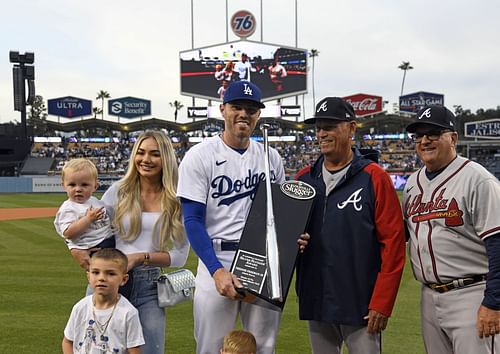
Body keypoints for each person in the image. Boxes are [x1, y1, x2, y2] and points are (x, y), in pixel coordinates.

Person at [177, 81, 306, 354]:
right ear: (223, 109)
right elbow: (192, 221)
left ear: (259, 115)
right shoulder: (200, 156)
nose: (244, 114)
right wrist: (216, 270)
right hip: (217, 257)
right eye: (237, 107)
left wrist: (296, 237)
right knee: (211, 348)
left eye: (251, 109)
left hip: (263, 260)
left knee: (262, 347)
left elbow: (281, 217)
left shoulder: (271, 157)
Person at [295, 97, 406, 354]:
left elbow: (393, 244)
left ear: (352, 129)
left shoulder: (375, 177)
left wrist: (382, 302)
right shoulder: (303, 178)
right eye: (319, 127)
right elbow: (289, 237)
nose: (322, 133)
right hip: (316, 298)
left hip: (361, 304)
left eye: (330, 126)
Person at [71, 130, 189, 354]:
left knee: (150, 350)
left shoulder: (176, 200)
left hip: (150, 287)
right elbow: (91, 227)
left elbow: (180, 256)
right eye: (141, 153)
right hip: (109, 280)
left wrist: (139, 258)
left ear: (165, 158)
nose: (146, 159)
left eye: (155, 154)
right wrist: (75, 249)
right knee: (94, 348)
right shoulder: (119, 191)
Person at [402, 105, 500, 354]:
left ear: (453, 138)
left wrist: (494, 303)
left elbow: (498, 245)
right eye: (419, 136)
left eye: (433, 133)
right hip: (428, 297)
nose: (425, 141)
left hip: (472, 294)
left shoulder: (478, 179)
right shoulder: (413, 183)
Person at [62, 248, 144, 354]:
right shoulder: (80, 307)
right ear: (88, 276)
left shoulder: (128, 313)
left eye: (110, 274)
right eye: (96, 272)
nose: (102, 278)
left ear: (123, 279)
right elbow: (68, 341)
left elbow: (134, 350)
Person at [54, 158, 115, 255]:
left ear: (95, 186)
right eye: (72, 185)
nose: (78, 189)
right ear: (64, 186)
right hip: (94, 246)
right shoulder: (68, 208)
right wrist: (88, 219)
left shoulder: (95, 201)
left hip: (109, 240)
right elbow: (68, 234)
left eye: (84, 185)